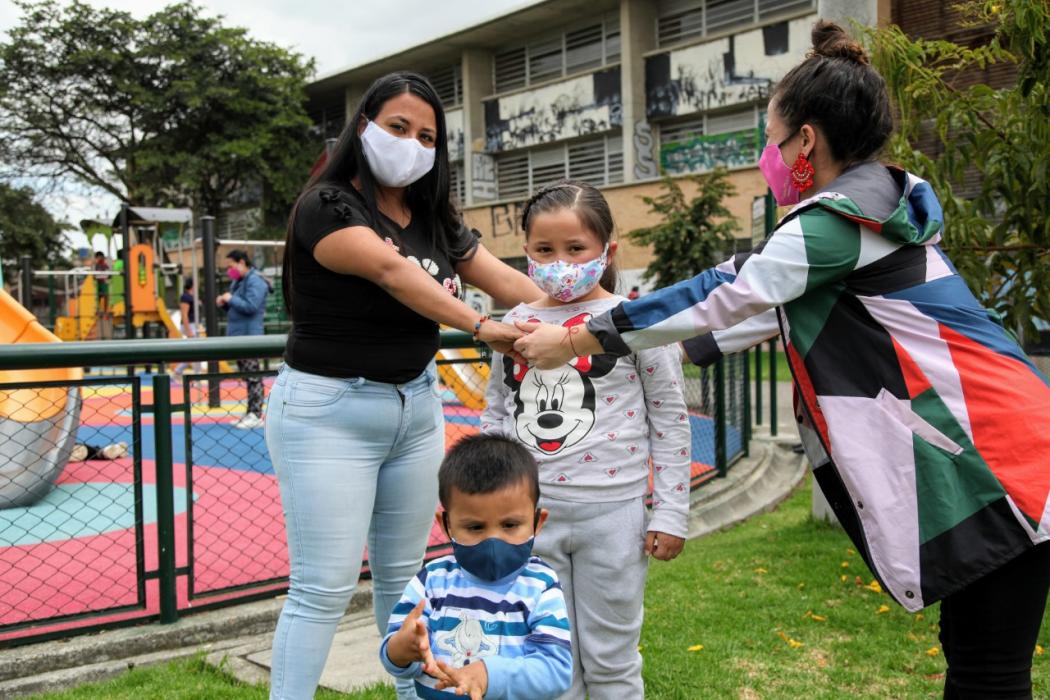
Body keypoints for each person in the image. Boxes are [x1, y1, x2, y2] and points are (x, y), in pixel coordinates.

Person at [514, 21, 1050, 699]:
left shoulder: (837, 223)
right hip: (1008, 450)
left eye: (771, 142)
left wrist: (576, 339)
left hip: (1002, 458)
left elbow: (725, 293)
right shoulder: (863, 214)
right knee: (979, 655)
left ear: (806, 141)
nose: (769, 159)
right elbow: (737, 313)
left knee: (988, 669)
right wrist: (544, 323)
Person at [264, 71, 542, 700]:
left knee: (407, 581)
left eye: (427, 135)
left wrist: (587, 312)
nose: (412, 144)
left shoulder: (432, 216)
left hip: (415, 410)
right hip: (328, 411)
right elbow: (391, 270)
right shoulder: (326, 205)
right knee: (323, 586)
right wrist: (479, 325)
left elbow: (503, 278)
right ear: (363, 127)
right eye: (397, 127)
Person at [481, 180, 691, 698]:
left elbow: (670, 419)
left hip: (615, 515)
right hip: (532, 516)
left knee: (612, 656)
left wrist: (671, 511)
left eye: (576, 249)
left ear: (607, 251)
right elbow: (497, 412)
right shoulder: (516, 323)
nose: (561, 261)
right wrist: (488, 501)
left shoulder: (637, 322)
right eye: (545, 250)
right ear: (526, 252)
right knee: (550, 654)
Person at [380, 434, 572, 700]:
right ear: (446, 524)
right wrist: (401, 649)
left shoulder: (540, 585)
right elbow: (398, 656)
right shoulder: (432, 581)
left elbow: (555, 670)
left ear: (537, 522)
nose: (493, 541)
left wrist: (488, 674)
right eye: (475, 527)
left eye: (510, 525)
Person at [217, 249, 268, 430]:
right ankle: (250, 412)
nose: (229, 270)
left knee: (253, 376)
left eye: (231, 266)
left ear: (241, 263)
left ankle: (256, 413)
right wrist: (226, 303)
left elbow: (251, 306)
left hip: (249, 336)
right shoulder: (239, 282)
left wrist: (231, 299)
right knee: (248, 376)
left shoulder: (255, 281)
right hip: (240, 335)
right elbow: (239, 308)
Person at [173, 278, 201, 376]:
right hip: (189, 325)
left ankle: (186, 370)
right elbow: (184, 314)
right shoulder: (186, 297)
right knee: (196, 351)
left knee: (197, 350)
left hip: (193, 325)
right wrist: (189, 330)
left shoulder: (192, 296)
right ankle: (178, 370)